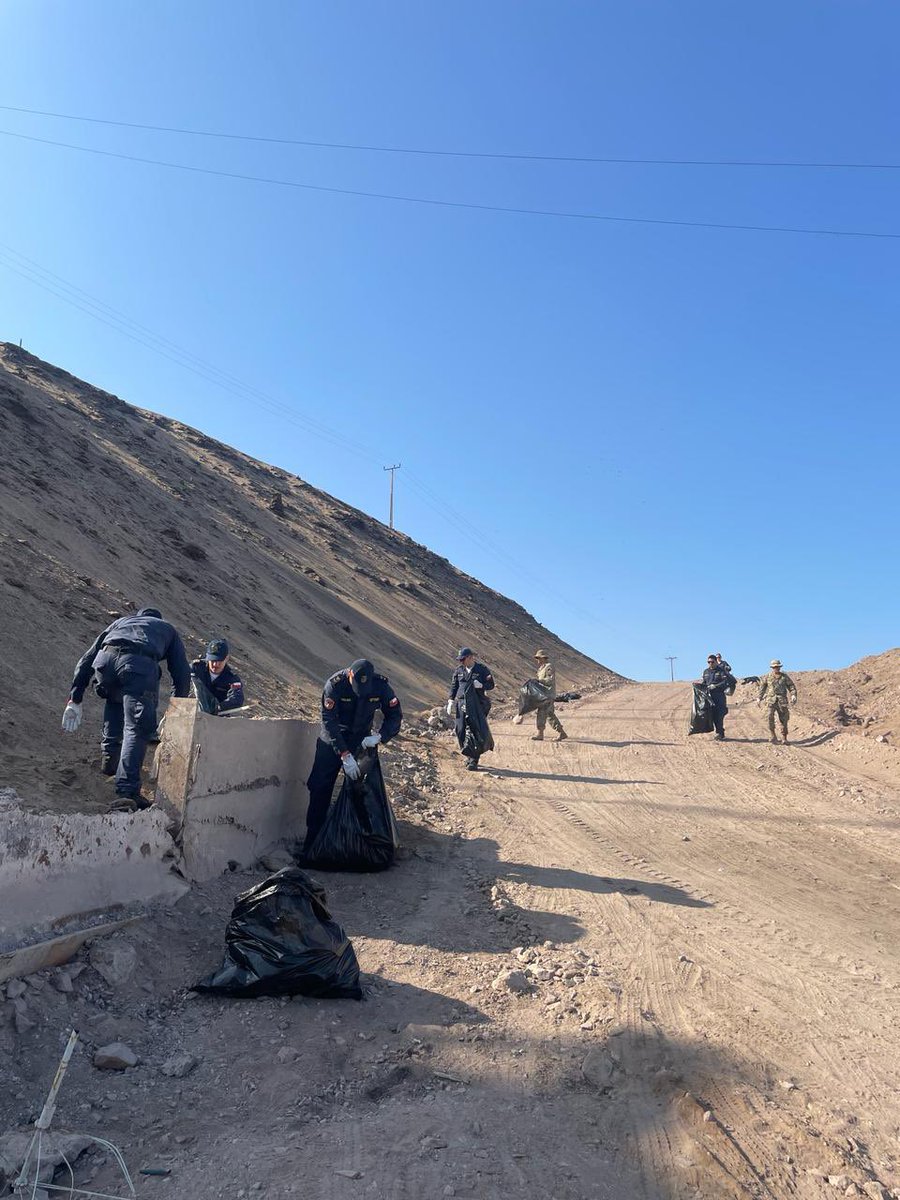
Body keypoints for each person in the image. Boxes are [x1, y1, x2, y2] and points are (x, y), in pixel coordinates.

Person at [62, 607, 191, 811]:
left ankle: (110, 761)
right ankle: (127, 791)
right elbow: (181, 672)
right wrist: (177, 710)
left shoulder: (120, 622)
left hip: (104, 663)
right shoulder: (167, 629)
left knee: (114, 699)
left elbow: (87, 658)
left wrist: (74, 699)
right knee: (137, 728)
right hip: (137, 666)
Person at [304, 658, 402, 851]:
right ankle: (313, 843)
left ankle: (361, 844)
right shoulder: (335, 685)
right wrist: (344, 753)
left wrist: (380, 737)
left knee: (362, 790)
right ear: (349, 675)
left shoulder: (381, 686)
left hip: (361, 739)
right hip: (333, 739)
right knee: (320, 787)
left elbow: (395, 715)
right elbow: (329, 721)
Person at [447, 647, 495, 770]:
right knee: (460, 729)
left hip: (477, 705)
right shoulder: (459, 670)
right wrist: (451, 700)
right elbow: (454, 686)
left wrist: (481, 685)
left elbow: (491, 685)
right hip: (462, 703)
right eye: (460, 660)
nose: (461, 662)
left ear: (470, 657)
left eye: (463, 659)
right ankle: (468, 754)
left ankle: (474, 759)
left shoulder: (482, 670)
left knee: (475, 731)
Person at [190, 639, 245, 714]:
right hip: (191, 709)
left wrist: (219, 707)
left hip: (217, 715)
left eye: (219, 661)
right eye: (212, 660)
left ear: (226, 658)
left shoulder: (232, 678)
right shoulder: (196, 668)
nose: (215, 665)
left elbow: (237, 699)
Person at [530, 650, 568, 742]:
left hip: (548, 695)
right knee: (547, 714)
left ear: (543, 658)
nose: (537, 660)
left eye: (538, 658)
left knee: (545, 714)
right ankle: (559, 733)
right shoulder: (541, 669)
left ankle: (545, 734)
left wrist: (539, 681)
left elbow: (549, 680)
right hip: (543, 694)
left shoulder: (548, 667)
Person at [757, 659, 798, 744]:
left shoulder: (784, 677)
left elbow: (791, 686)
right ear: (772, 668)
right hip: (770, 700)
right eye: (775, 667)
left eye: (778, 667)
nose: (776, 668)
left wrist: (793, 695)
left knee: (784, 719)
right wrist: (759, 698)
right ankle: (773, 736)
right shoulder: (768, 676)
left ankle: (784, 737)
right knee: (769, 717)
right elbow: (762, 688)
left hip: (782, 700)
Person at [698, 653, 736, 741]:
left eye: (712, 662)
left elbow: (725, 682)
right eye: (708, 662)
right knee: (712, 715)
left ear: (716, 661)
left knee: (719, 714)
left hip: (719, 696)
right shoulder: (706, 672)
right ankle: (719, 732)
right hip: (709, 697)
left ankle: (720, 733)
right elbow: (704, 682)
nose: (710, 663)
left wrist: (716, 686)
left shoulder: (721, 671)